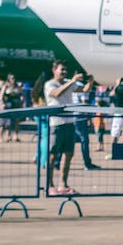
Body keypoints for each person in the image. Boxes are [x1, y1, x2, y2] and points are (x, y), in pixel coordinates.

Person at [44, 60, 92, 195]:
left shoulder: (68, 83)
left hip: (69, 122)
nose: (64, 72)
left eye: (65, 70)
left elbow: (85, 89)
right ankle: (49, 185)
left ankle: (63, 184)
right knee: (53, 155)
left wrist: (91, 81)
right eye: (62, 70)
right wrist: (71, 81)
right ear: (54, 70)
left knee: (68, 154)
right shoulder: (50, 84)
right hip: (56, 123)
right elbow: (56, 94)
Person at [0, 74, 25, 142]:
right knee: (5, 123)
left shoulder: (18, 86)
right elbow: (1, 96)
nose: (14, 79)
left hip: (16, 105)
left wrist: (22, 102)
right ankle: (5, 136)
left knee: (16, 121)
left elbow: (22, 95)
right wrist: (2, 104)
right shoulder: (6, 86)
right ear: (9, 79)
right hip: (7, 106)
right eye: (12, 78)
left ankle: (15, 136)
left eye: (14, 78)